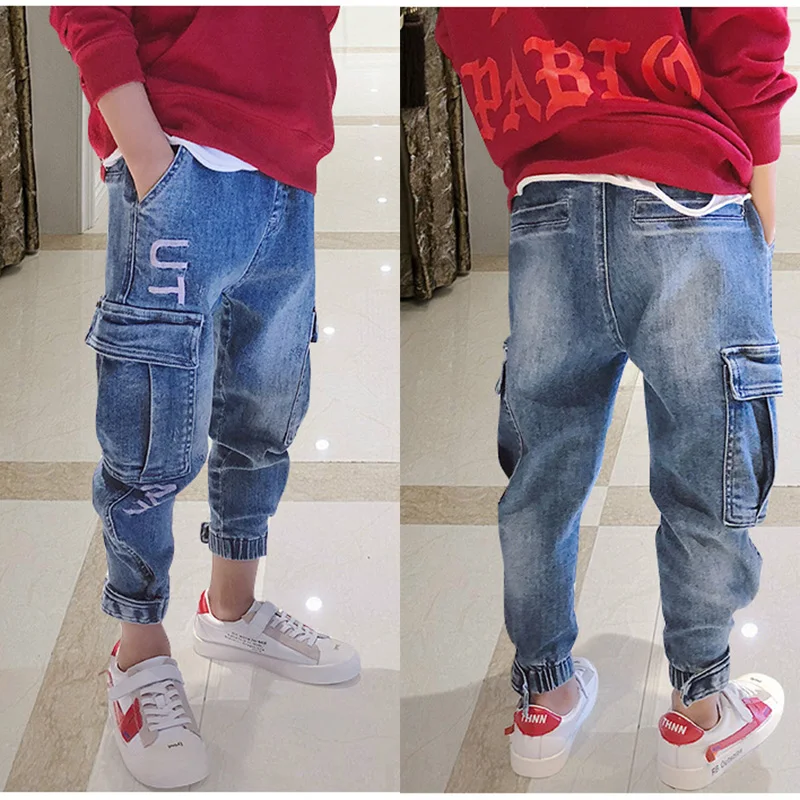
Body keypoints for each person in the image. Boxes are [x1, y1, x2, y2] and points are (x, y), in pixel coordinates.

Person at [436, 6, 795, 790]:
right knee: (708, 472)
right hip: (687, 192)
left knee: (542, 479)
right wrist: (762, 171)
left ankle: (544, 697)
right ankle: (700, 711)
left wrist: (530, 161)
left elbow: (462, 31)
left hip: (548, 203)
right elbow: (741, 23)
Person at [50, 6, 359, 789]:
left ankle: (232, 609)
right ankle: (137, 653)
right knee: (152, 440)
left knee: (266, 410)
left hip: (287, 171)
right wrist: (148, 158)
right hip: (180, 160)